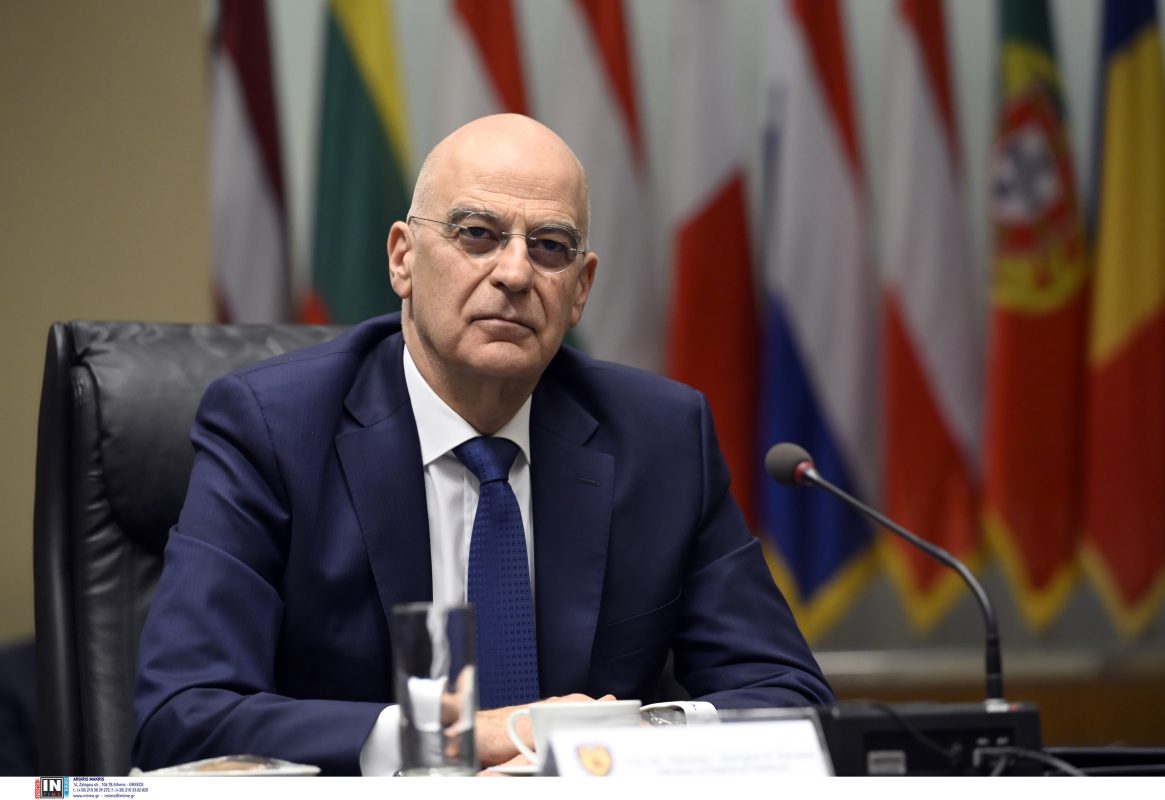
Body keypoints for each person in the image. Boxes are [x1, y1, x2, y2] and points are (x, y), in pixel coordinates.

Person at [133, 114, 832, 776]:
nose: (515, 274)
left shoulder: (661, 439)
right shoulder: (273, 428)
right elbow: (183, 715)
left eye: (550, 247)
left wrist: (618, 738)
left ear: (580, 289)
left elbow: (789, 698)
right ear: (403, 259)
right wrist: (466, 737)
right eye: (477, 234)